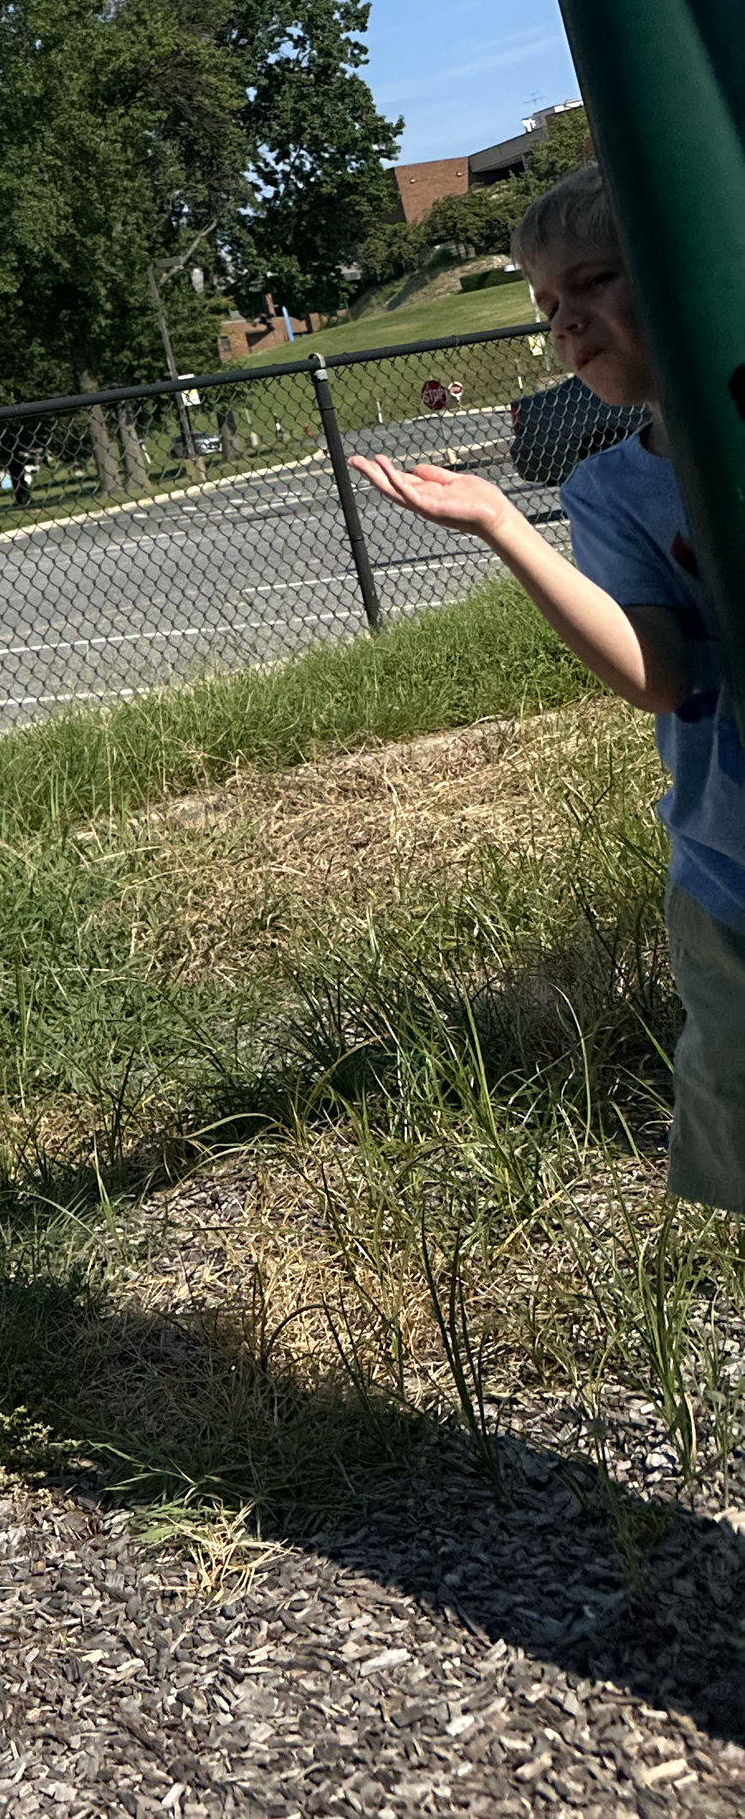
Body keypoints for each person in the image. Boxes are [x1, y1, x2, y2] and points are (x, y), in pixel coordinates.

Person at [353, 159, 745, 1210]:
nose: (566, 321)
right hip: (728, 873)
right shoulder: (609, 488)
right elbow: (656, 676)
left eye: (594, 280)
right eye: (546, 305)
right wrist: (499, 521)